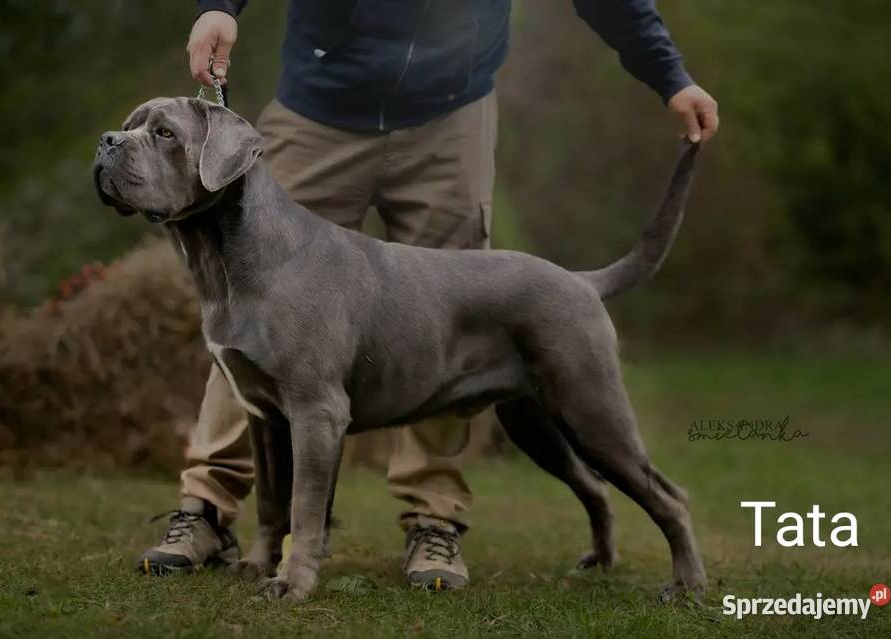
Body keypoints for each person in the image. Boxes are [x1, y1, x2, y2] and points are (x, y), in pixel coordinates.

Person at [139, 0, 719, 591]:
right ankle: (208, 507)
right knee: (252, 311)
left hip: (450, 114)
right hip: (322, 102)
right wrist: (219, 6)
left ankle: (432, 521)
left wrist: (670, 74)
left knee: (441, 328)